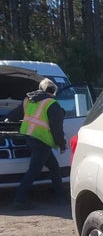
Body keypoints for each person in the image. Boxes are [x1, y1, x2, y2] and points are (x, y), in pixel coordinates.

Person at [6, 77, 67, 209]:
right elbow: (57, 129)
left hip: (29, 138)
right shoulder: (52, 103)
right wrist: (62, 145)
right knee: (33, 170)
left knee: (54, 167)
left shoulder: (29, 99)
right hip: (41, 140)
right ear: (53, 91)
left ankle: (61, 196)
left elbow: (13, 115)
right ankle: (19, 200)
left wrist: (5, 121)